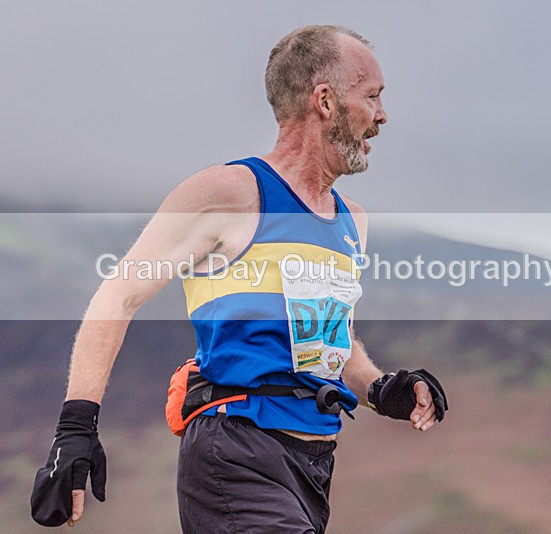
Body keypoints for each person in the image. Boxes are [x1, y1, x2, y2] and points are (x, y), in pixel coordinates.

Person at [31, 25, 448, 533]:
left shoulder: (350, 220)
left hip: (313, 465)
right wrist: (76, 426)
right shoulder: (228, 193)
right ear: (325, 101)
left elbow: (329, 340)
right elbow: (119, 292)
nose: (382, 116)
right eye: (373, 96)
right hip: (235, 452)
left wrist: (383, 388)